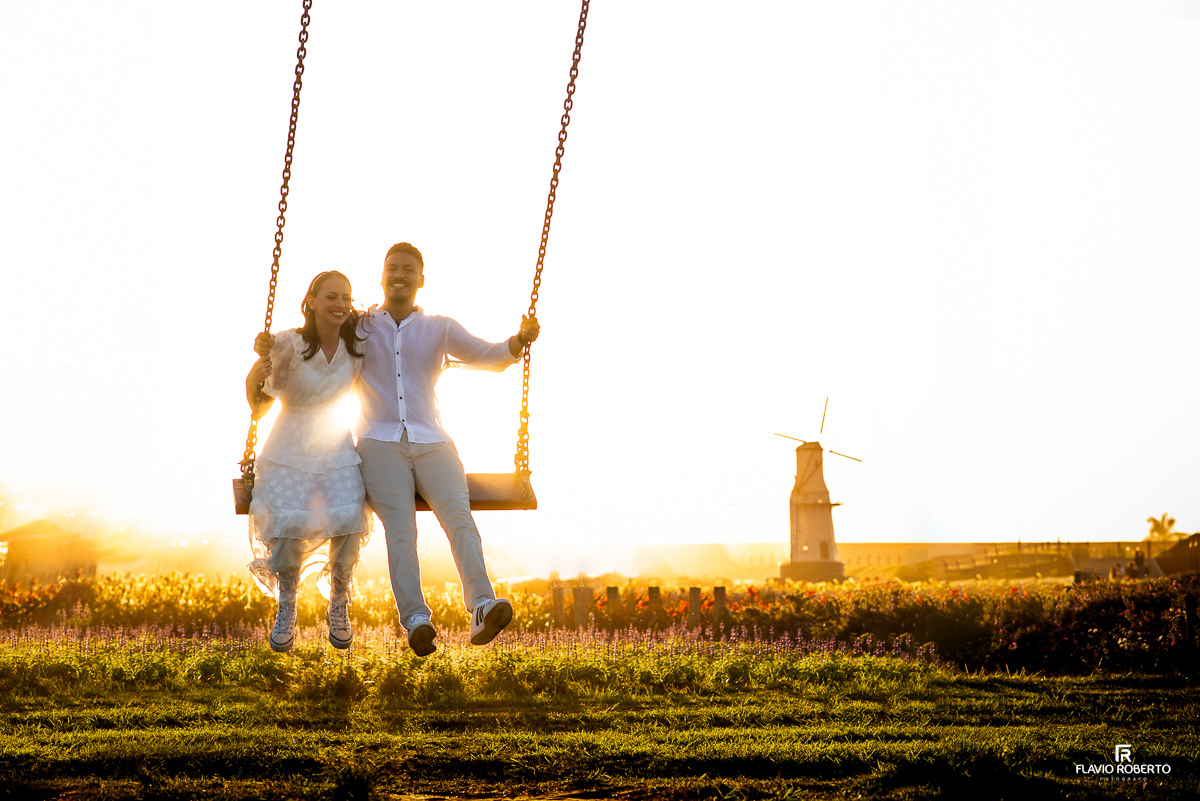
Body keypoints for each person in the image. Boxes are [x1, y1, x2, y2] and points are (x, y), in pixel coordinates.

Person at [355, 241, 539, 656]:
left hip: (433, 440)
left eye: (408, 269)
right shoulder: (361, 325)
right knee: (401, 530)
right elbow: (323, 351)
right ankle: (417, 618)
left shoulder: (439, 327)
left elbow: (486, 355)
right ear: (382, 276)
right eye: (392, 267)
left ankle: (481, 606)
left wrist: (518, 341)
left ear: (422, 280)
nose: (399, 274)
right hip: (378, 443)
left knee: (460, 519)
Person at [245, 271, 371, 653]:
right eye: (331, 296)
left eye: (346, 298)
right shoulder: (289, 344)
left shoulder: (356, 347)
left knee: (351, 515)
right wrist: (258, 367)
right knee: (287, 520)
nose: (340, 305)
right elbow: (260, 404)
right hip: (289, 444)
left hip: (335, 444)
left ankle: (338, 601)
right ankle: (287, 604)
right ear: (311, 301)